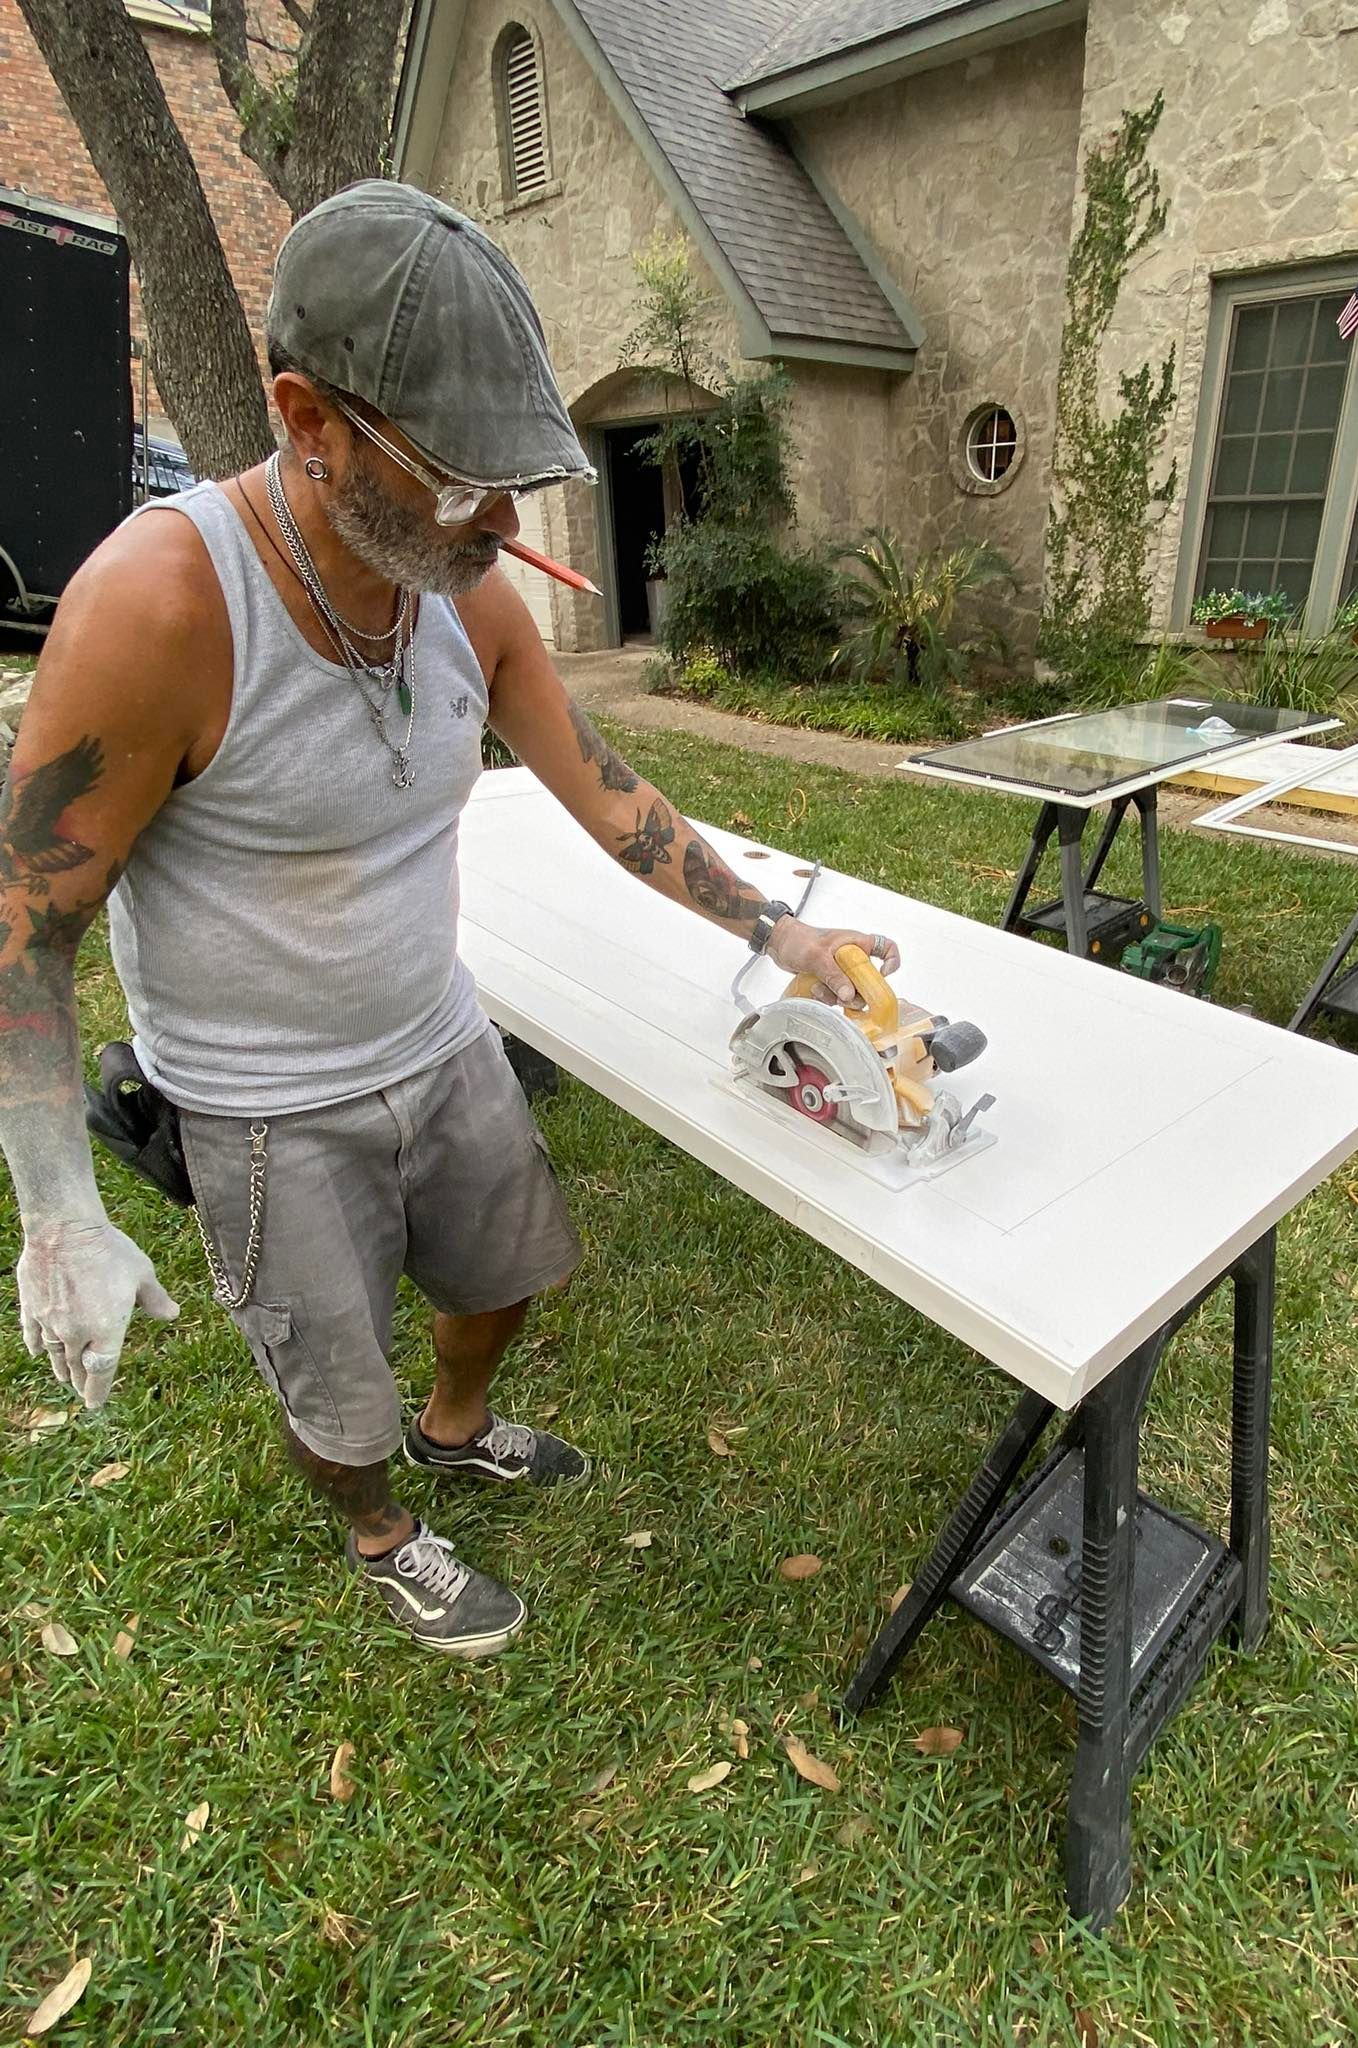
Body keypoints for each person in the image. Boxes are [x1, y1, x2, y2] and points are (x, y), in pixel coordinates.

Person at [0, 182, 901, 1662]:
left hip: (439, 1033)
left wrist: (774, 933)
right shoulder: (160, 608)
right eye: (461, 476)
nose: (506, 519)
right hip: (265, 1101)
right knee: (327, 1383)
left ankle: (455, 1429)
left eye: (518, 476)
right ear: (309, 417)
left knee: (509, 1276)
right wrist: (56, 1213)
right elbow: (27, 932)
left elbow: (608, 792)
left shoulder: (463, 585)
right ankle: (377, 1522)